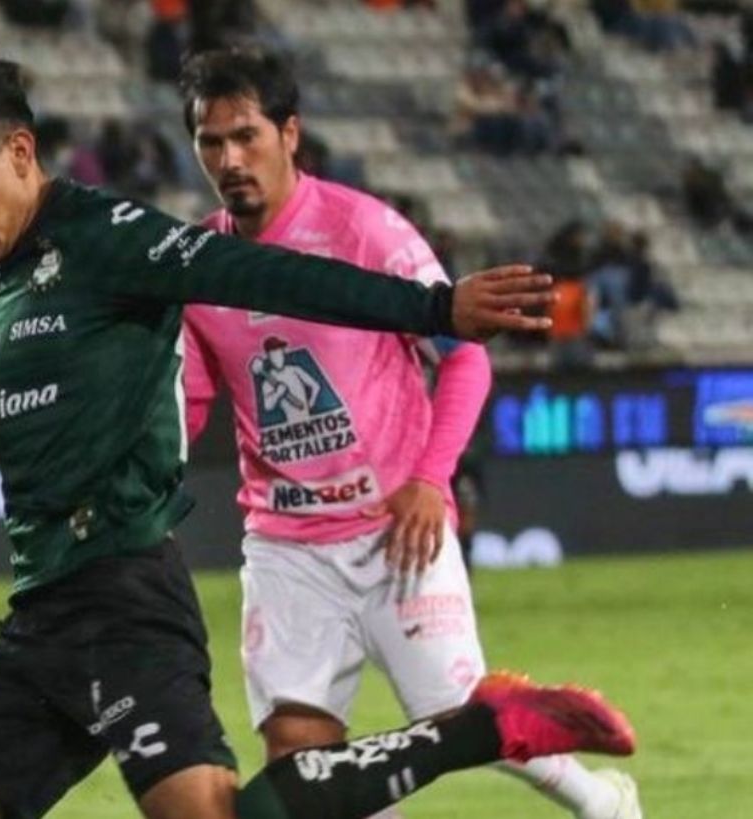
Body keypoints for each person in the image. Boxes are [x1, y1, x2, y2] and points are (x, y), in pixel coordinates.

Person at [0, 50, 634, 819]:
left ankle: (480, 729)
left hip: (125, 600)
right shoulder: (23, 277)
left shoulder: (111, 236)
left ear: (19, 152)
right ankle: (480, 728)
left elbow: (265, 274)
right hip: (46, 612)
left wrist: (434, 308)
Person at [176, 49, 641, 819]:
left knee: (461, 719)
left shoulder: (364, 232)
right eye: (210, 141)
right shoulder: (199, 266)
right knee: (303, 765)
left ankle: (602, 802)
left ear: (289, 133)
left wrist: (430, 478)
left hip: (396, 528)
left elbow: (465, 359)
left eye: (245, 136)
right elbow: (187, 407)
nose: (229, 159)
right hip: (287, 547)